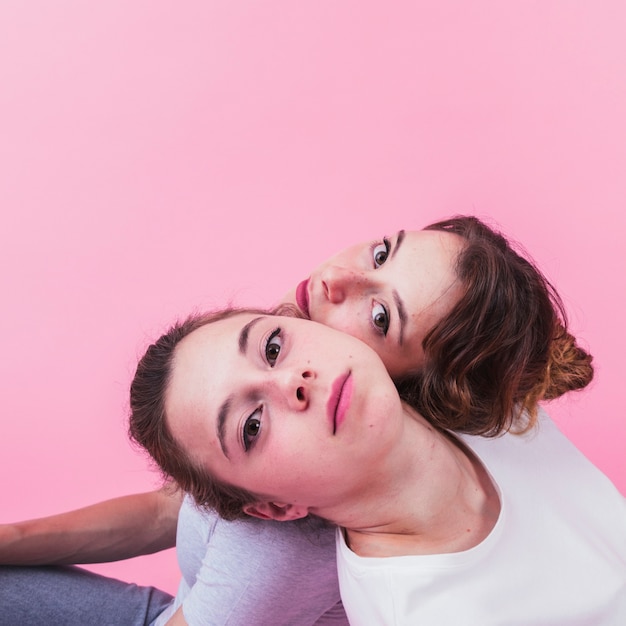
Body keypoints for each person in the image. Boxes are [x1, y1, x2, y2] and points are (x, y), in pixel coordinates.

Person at [0, 217, 599, 625]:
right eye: (273, 344)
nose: (294, 382)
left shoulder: (283, 555)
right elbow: (170, 508)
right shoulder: (470, 415)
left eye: (382, 317)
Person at [131, 308, 626, 625]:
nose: (293, 381)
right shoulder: (420, 612)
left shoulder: (482, 386)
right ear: (276, 507)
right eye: (252, 426)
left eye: (273, 347)